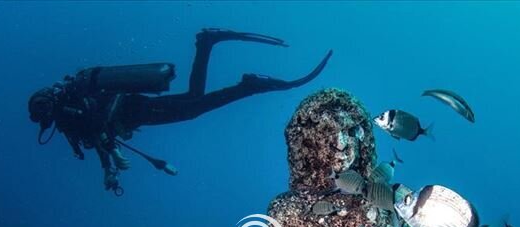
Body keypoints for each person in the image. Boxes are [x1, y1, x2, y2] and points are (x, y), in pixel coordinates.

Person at [28, 28, 332, 195]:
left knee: (193, 109)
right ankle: (210, 47)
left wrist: (110, 159)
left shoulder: (66, 114)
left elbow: (97, 126)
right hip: (136, 109)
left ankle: (247, 82)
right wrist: (108, 166)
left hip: (137, 110)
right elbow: (97, 131)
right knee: (194, 99)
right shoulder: (67, 110)